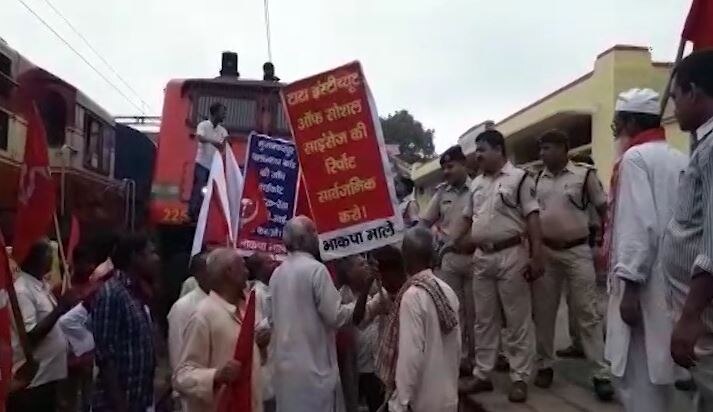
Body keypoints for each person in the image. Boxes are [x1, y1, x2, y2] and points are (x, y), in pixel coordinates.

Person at [599, 88, 687, 412]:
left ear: (631, 122)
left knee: (638, 378)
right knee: (661, 375)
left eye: (617, 125)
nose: (616, 134)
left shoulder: (635, 159)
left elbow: (639, 227)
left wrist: (630, 289)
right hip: (672, 281)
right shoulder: (678, 157)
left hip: (643, 286)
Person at [457, 129, 544, 403]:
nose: (478, 155)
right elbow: (467, 219)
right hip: (482, 257)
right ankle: (483, 375)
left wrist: (538, 255)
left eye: (482, 149)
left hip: (512, 255)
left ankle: (520, 378)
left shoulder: (520, 178)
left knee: (517, 319)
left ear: (498, 149)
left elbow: (532, 218)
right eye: (477, 151)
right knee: (484, 319)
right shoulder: (476, 184)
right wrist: (450, 242)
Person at [531, 129, 613, 399]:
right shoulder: (535, 181)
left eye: (548, 148)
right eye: (541, 149)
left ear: (564, 148)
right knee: (544, 313)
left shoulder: (584, 174)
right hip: (548, 252)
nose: (543, 154)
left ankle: (601, 373)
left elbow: (604, 210)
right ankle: (545, 365)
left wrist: (606, 242)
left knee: (586, 312)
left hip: (578, 251)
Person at [663, 50, 713, 411]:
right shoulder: (702, 145)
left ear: (694, 92)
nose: (674, 107)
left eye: (676, 97)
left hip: (705, 310)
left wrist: (691, 314)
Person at [265, 216, 355, 412]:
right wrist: (364, 304)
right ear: (304, 239)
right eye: (314, 232)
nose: (318, 237)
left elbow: (270, 320)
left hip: (286, 374)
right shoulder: (316, 270)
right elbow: (337, 316)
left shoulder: (276, 274)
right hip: (315, 374)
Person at [376, 227, 460, 412]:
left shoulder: (412, 296)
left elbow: (410, 357)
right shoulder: (447, 291)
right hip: (448, 398)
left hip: (422, 401)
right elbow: (456, 347)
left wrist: (399, 404)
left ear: (404, 258)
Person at [174, 248, 263, 412]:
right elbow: (182, 375)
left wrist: (261, 346)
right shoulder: (203, 315)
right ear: (229, 272)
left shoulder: (248, 311)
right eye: (242, 266)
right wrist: (216, 375)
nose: (247, 271)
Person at [419, 145, 476, 374]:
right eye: (443, 167)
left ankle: (479, 360)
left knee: (478, 313)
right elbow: (424, 222)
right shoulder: (442, 193)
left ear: (463, 165)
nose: (446, 171)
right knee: (454, 311)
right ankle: (461, 359)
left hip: (475, 257)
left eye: (450, 166)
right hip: (449, 260)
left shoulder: (478, 188)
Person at [90, 233, 159, 412]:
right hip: (116, 404)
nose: (156, 258)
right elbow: (105, 356)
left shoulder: (136, 292)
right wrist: (121, 405)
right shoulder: (112, 293)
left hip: (139, 400)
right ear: (135, 257)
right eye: (151, 253)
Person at [9, 239, 77, 412]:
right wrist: (59, 309)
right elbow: (29, 336)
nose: (52, 259)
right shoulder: (23, 290)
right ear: (33, 257)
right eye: (47, 254)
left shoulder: (41, 285)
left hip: (50, 376)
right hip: (35, 380)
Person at [336, 255, 384, 412]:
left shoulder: (378, 290)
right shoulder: (339, 297)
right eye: (361, 264)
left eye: (366, 263)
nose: (366, 267)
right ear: (349, 272)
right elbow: (356, 318)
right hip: (353, 368)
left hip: (375, 367)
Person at [58, 243, 99, 412]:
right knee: (68, 401)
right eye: (85, 262)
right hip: (68, 358)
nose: (90, 266)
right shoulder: (62, 289)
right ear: (77, 263)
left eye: (92, 262)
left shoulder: (97, 289)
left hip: (90, 356)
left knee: (89, 401)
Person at [166, 252, 209, 409]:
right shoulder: (183, 308)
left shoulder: (224, 303)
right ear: (198, 274)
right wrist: (178, 393)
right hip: (190, 395)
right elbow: (177, 353)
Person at [246, 252, 277, 412]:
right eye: (269, 262)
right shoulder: (256, 294)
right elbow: (258, 327)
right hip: (265, 358)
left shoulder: (271, 289)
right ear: (258, 269)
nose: (275, 264)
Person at [189, 102, 228, 221]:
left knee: (211, 191)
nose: (224, 115)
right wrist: (214, 142)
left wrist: (223, 145)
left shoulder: (223, 131)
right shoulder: (203, 125)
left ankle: (205, 214)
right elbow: (200, 137)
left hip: (214, 166)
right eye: (222, 112)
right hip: (201, 163)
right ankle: (192, 213)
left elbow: (224, 145)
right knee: (199, 187)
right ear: (215, 113)